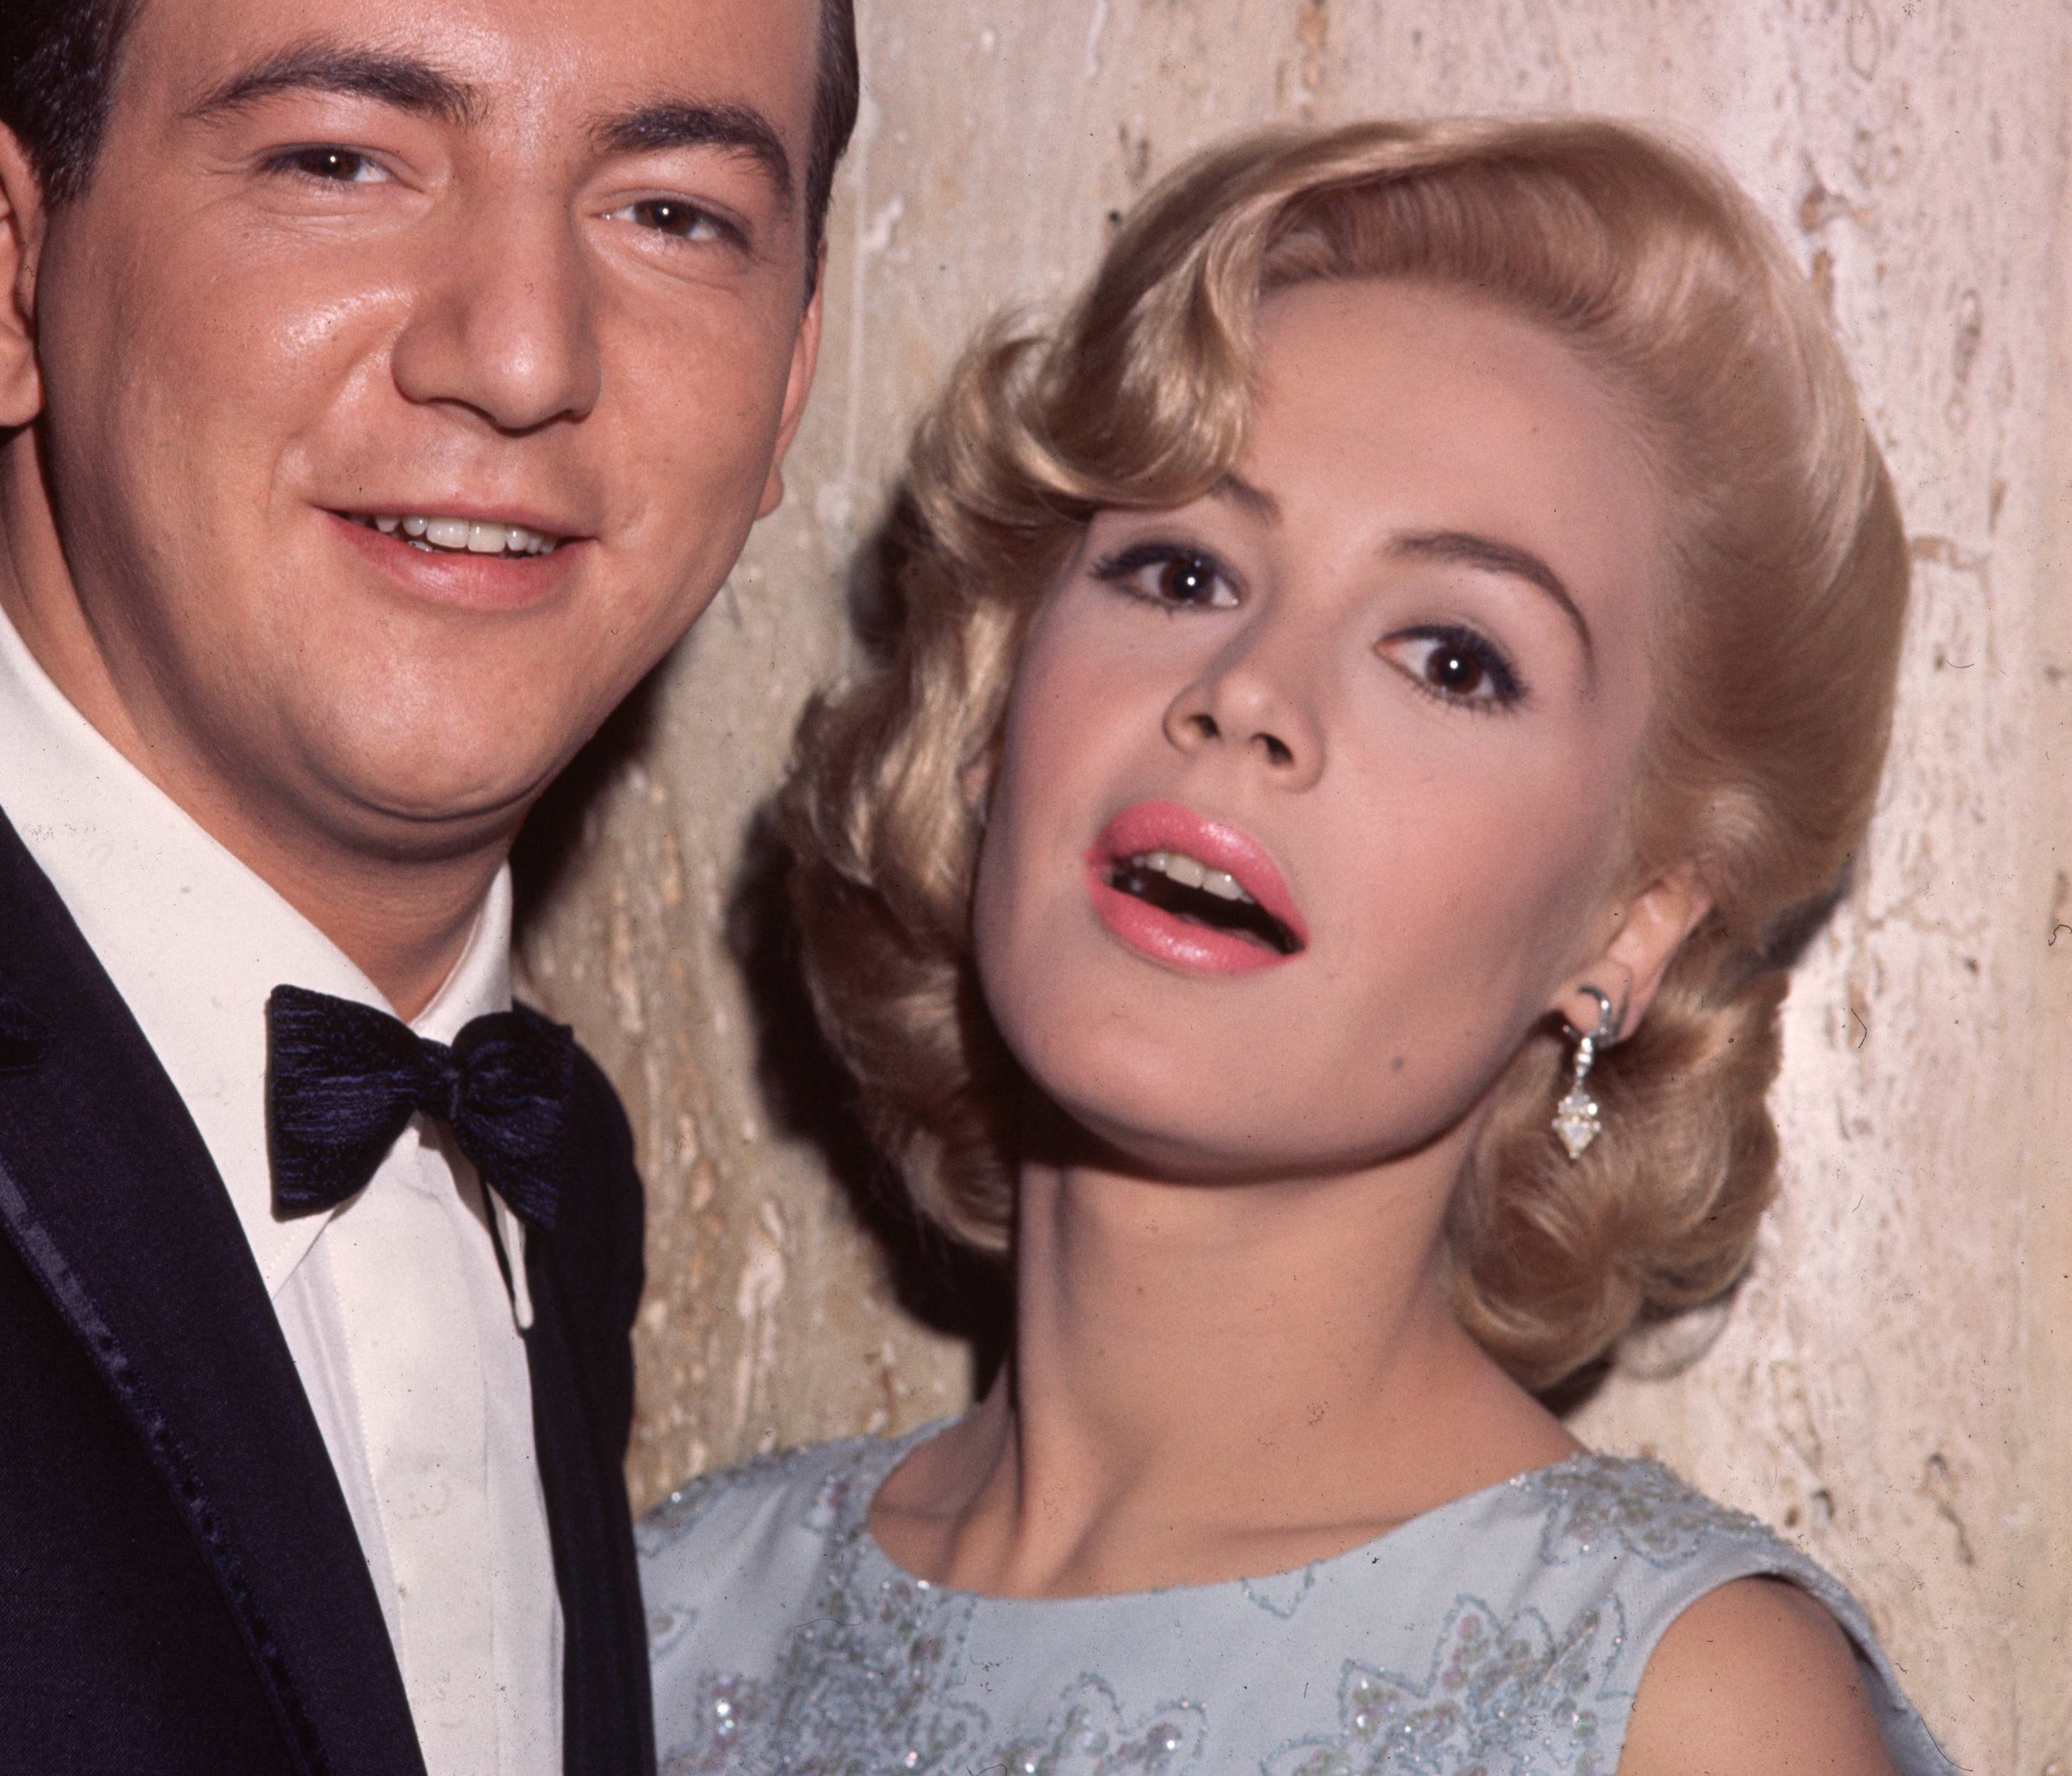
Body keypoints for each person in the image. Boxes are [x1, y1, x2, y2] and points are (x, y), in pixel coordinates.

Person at [0, 0, 855, 1776]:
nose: (524, 352)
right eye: (346, 159)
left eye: (671, 213)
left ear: (788, 384)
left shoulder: (553, 1184)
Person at [637, 121, 1953, 1774]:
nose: (1250, 692)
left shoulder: (1684, 1714)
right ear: (997, 722)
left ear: (1627, 927)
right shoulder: (662, 1625)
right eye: (1180, 570)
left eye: (1454, 659)